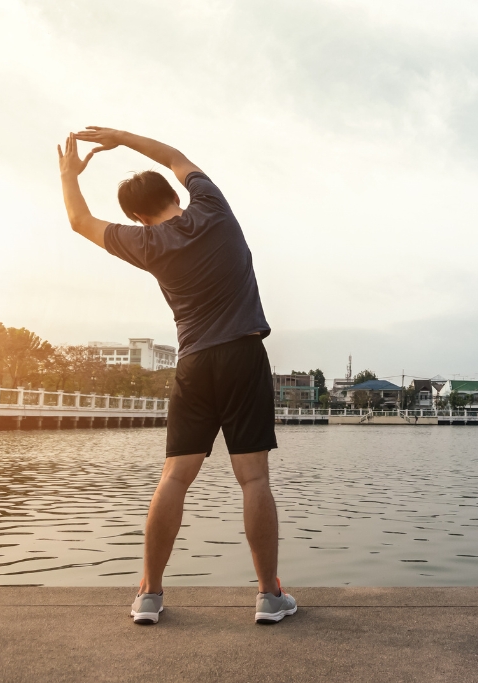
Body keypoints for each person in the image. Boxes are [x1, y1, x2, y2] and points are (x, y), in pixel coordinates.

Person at [57, 128, 296, 626]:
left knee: (174, 478)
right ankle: (269, 597)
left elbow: (78, 221)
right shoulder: (212, 206)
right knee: (252, 477)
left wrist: (69, 174)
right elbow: (174, 155)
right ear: (173, 193)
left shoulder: (144, 243)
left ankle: (149, 593)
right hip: (242, 354)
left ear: (138, 217)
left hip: (193, 364)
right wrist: (121, 138)